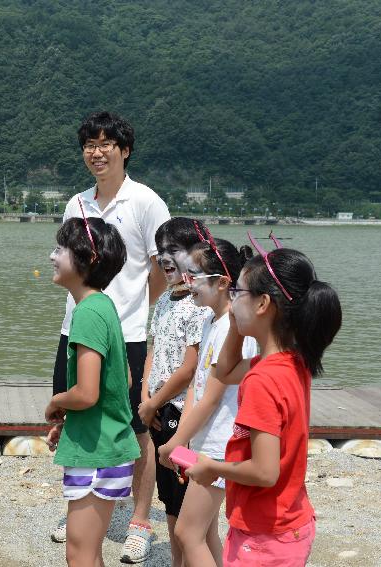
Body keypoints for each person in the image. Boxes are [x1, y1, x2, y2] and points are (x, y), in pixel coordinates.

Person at [50, 111, 170, 565]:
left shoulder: (145, 202)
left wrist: (134, 310)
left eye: (106, 144)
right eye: (89, 145)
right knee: (80, 414)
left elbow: (161, 267)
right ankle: (85, 507)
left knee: (136, 427)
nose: (96, 152)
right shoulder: (77, 203)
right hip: (75, 328)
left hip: (128, 334)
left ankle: (139, 520)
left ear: (125, 150)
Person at [185, 237, 342, 567]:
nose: (231, 299)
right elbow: (225, 370)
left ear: (262, 305)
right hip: (289, 522)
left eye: (237, 292)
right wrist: (236, 324)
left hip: (265, 536)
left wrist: (211, 468)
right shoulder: (291, 362)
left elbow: (265, 471)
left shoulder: (262, 380)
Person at [157, 232, 257, 567]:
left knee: (188, 533)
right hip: (203, 442)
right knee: (207, 531)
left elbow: (212, 399)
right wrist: (181, 442)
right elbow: (195, 391)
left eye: (194, 277)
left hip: (219, 444)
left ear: (223, 282)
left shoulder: (232, 328)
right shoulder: (209, 322)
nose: (187, 284)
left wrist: (174, 443)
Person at [45, 214, 140, 567]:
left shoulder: (87, 313)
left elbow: (86, 393)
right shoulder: (105, 306)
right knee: (90, 551)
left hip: (98, 452)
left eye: (60, 249)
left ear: (87, 259)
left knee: (79, 554)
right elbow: (124, 380)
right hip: (106, 444)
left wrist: (56, 401)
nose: (52, 256)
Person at [137, 218, 211, 567]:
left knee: (186, 501)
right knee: (169, 498)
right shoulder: (166, 299)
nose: (166, 258)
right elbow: (153, 349)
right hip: (157, 409)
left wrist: (154, 402)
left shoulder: (200, 305)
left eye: (174, 250)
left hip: (181, 412)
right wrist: (144, 397)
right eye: (161, 250)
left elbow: (189, 368)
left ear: (198, 255)